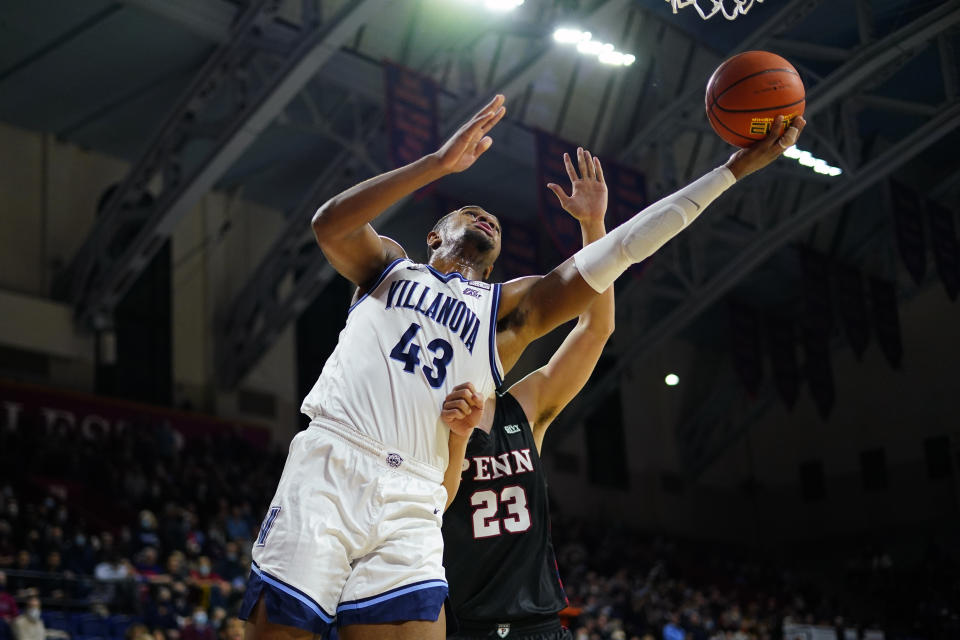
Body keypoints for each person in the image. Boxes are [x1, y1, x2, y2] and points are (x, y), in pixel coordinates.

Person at [240, 93, 804, 640]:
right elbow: (328, 224)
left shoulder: (507, 312)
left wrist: (729, 173)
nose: (488, 217)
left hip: (415, 494)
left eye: (497, 224)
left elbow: (622, 253)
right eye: (470, 210)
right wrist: (436, 165)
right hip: (334, 459)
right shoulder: (389, 266)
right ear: (433, 235)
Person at [438, 148, 614, 640]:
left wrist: (593, 225)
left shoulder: (526, 404)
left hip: (538, 624)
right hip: (460, 624)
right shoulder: (424, 409)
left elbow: (596, 328)